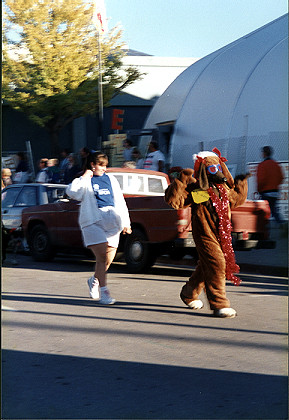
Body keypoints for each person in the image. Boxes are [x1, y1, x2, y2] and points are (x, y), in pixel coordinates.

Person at [66, 151, 132, 304]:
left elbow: (120, 201)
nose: (104, 169)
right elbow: (72, 192)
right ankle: (104, 292)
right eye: (101, 165)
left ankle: (94, 280)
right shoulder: (84, 180)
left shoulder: (111, 179)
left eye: (105, 166)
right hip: (92, 221)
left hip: (112, 221)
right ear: (92, 165)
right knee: (101, 257)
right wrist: (85, 176)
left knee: (108, 260)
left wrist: (126, 223)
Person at [257, 146, 284, 224]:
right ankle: (281, 224)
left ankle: (263, 229)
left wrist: (259, 190)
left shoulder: (262, 165)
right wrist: (275, 185)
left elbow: (261, 180)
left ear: (264, 154)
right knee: (274, 210)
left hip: (266, 192)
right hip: (275, 192)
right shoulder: (276, 164)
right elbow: (281, 177)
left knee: (263, 212)